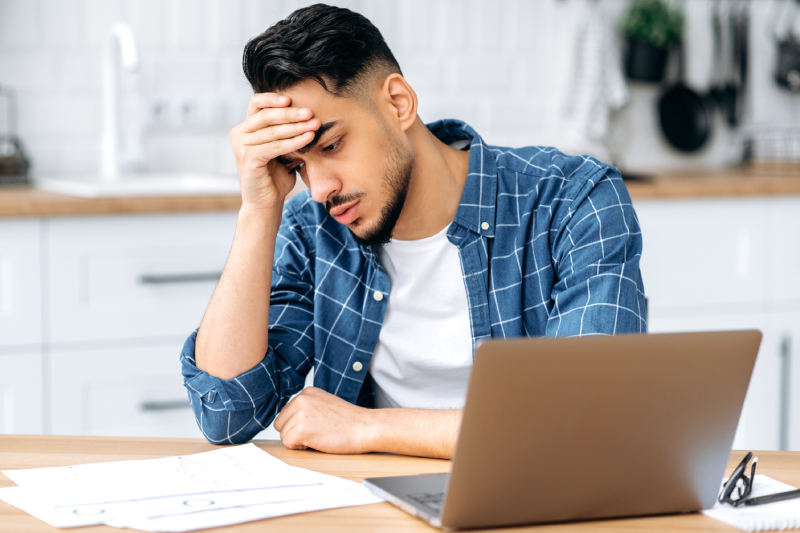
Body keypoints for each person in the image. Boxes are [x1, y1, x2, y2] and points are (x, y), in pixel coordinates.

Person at [181, 3, 646, 459]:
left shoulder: (572, 199)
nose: (320, 188)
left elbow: (586, 421)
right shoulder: (312, 231)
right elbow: (228, 415)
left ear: (398, 103)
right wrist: (259, 210)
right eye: (298, 165)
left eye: (333, 144)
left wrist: (366, 427)